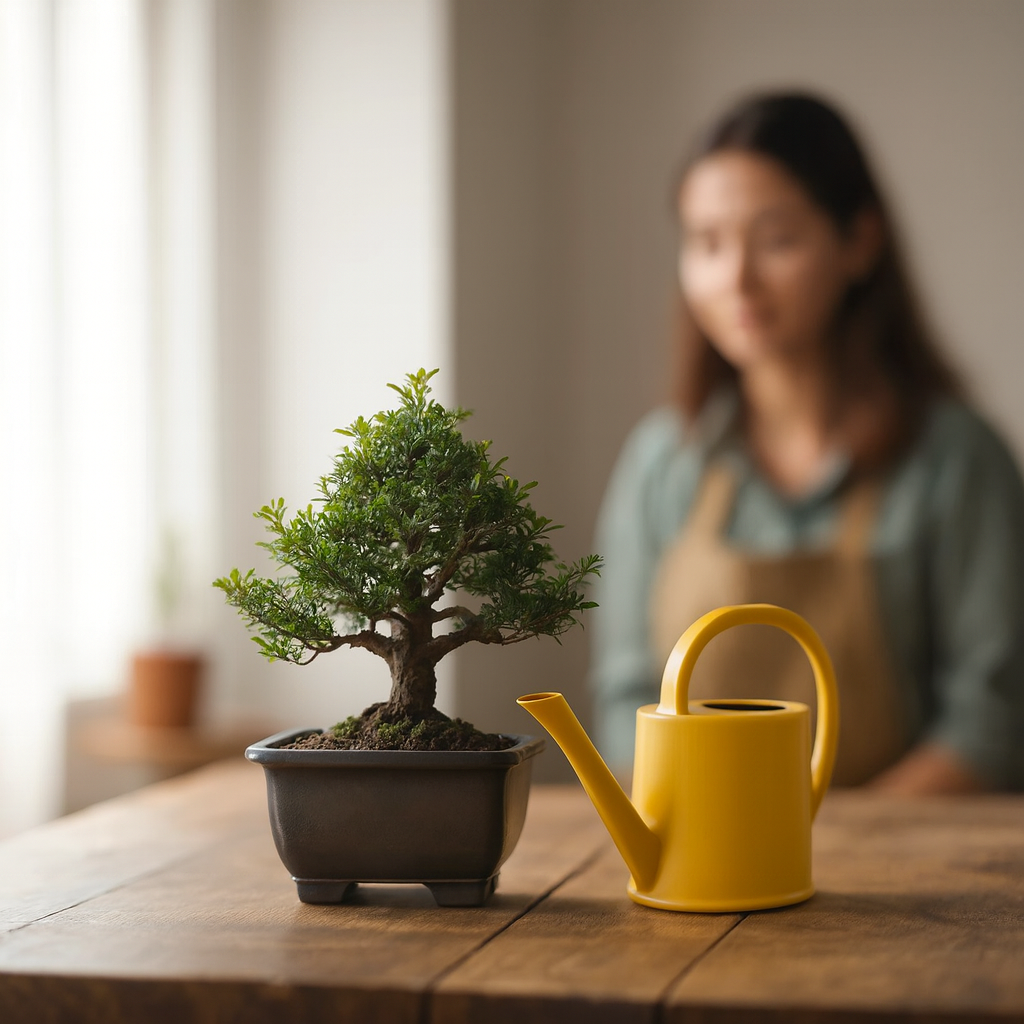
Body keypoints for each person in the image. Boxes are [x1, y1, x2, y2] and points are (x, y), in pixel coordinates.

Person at [591, 92, 1024, 793]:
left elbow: (991, 717)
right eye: (706, 243)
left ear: (859, 241)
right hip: (701, 858)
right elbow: (625, 696)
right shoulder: (662, 462)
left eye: (776, 240)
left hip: (903, 871)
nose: (736, 279)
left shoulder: (956, 458)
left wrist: (825, 843)